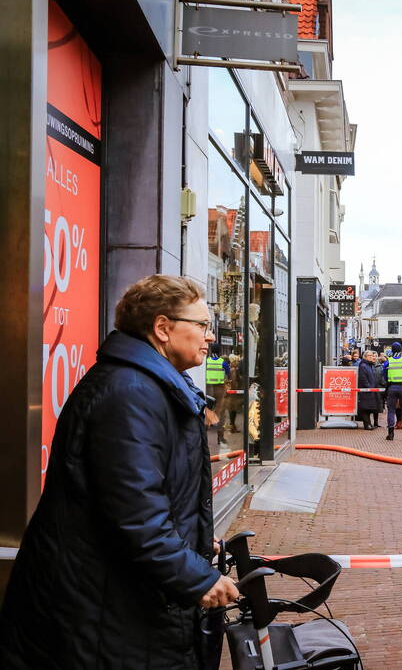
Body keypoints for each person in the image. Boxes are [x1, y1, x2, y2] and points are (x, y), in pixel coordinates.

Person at [0, 275, 238, 670]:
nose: (209, 336)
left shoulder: (147, 386)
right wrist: (197, 579)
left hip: (115, 604)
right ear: (163, 329)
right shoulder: (132, 393)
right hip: (103, 611)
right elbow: (135, 516)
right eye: (201, 325)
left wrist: (193, 536)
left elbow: (143, 497)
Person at [384, 341, 402, 441]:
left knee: (391, 410)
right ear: (401, 350)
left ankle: (391, 434)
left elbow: (384, 374)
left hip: (392, 387)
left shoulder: (388, 361)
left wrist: (388, 381)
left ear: (392, 350)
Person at [205, 343, 230, 446]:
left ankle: (204, 437)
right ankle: (220, 437)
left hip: (208, 388)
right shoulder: (223, 362)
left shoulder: (206, 361)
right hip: (219, 389)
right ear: (220, 351)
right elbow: (229, 373)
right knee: (220, 412)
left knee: (207, 411)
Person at [357, 351, 383, 430]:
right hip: (366, 390)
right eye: (370, 355)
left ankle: (369, 423)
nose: (372, 357)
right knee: (365, 408)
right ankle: (367, 424)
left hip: (371, 389)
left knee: (369, 408)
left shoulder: (370, 365)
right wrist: (368, 387)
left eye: (372, 355)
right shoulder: (363, 365)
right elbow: (363, 378)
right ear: (365, 357)